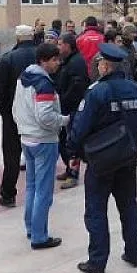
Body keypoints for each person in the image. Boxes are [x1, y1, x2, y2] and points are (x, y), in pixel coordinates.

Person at [67, 43, 137, 273]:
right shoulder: (135, 88)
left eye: (99, 63)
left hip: (101, 161)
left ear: (105, 65)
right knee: (128, 206)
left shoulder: (97, 91)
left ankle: (97, 261)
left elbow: (80, 127)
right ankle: (134, 252)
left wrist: (73, 150)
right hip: (127, 157)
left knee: (96, 210)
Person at [12, 42, 69, 250]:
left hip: (26, 137)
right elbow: (45, 116)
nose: (58, 63)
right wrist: (63, 120)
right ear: (43, 61)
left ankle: (31, 227)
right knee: (44, 191)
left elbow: (15, 108)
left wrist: (23, 127)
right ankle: (39, 236)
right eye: (54, 59)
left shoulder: (23, 78)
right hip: (44, 140)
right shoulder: (44, 84)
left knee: (32, 186)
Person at [0, 25, 38, 207]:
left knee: (11, 155)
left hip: (13, 113)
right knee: (37, 153)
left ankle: (8, 193)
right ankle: (38, 192)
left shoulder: (8, 58)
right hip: (36, 111)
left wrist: (4, 111)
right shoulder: (40, 55)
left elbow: (0, 89)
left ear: (18, 38)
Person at [55, 32, 90, 190]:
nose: (58, 47)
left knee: (72, 143)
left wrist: (63, 102)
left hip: (73, 109)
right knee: (64, 142)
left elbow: (76, 88)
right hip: (66, 108)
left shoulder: (76, 62)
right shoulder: (67, 61)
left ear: (68, 46)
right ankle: (69, 168)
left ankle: (73, 174)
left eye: (60, 44)